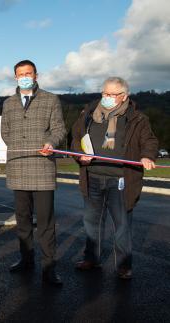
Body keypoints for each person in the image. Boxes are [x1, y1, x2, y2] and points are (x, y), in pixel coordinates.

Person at [71, 77, 158, 280]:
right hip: (92, 176)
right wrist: (79, 154)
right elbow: (75, 138)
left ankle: (123, 265)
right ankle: (92, 258)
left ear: (124, 96)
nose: (106, 98)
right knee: (91, 222)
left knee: (122, 225)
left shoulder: (137, 118)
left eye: (111, 95)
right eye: (104, 94)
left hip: (121, 180)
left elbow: (149, 141)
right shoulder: (88, 114)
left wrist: (147, 155)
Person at [1, 60, 66, 285]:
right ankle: (26, 260)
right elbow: (5, 132)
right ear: (15, 77)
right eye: (20, 74)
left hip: (42, 167)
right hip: (18, 166)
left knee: (46, 222)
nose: (25, 77)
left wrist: (50, 142)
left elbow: (59, 129)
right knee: (23, 220)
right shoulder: (8, 103)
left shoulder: (51, 99)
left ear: (36, 75)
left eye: (28, 73)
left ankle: (49, 267)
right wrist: (20, 144)